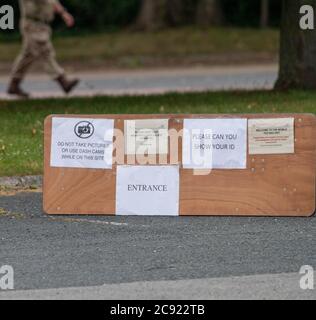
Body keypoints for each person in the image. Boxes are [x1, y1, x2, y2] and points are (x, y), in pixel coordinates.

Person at [7, 0, 79, 98]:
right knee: (45, 53)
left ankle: (14, 84)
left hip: (42, 25)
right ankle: (63, 81)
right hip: (33, 25)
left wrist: (63, 13)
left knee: (27, 56)